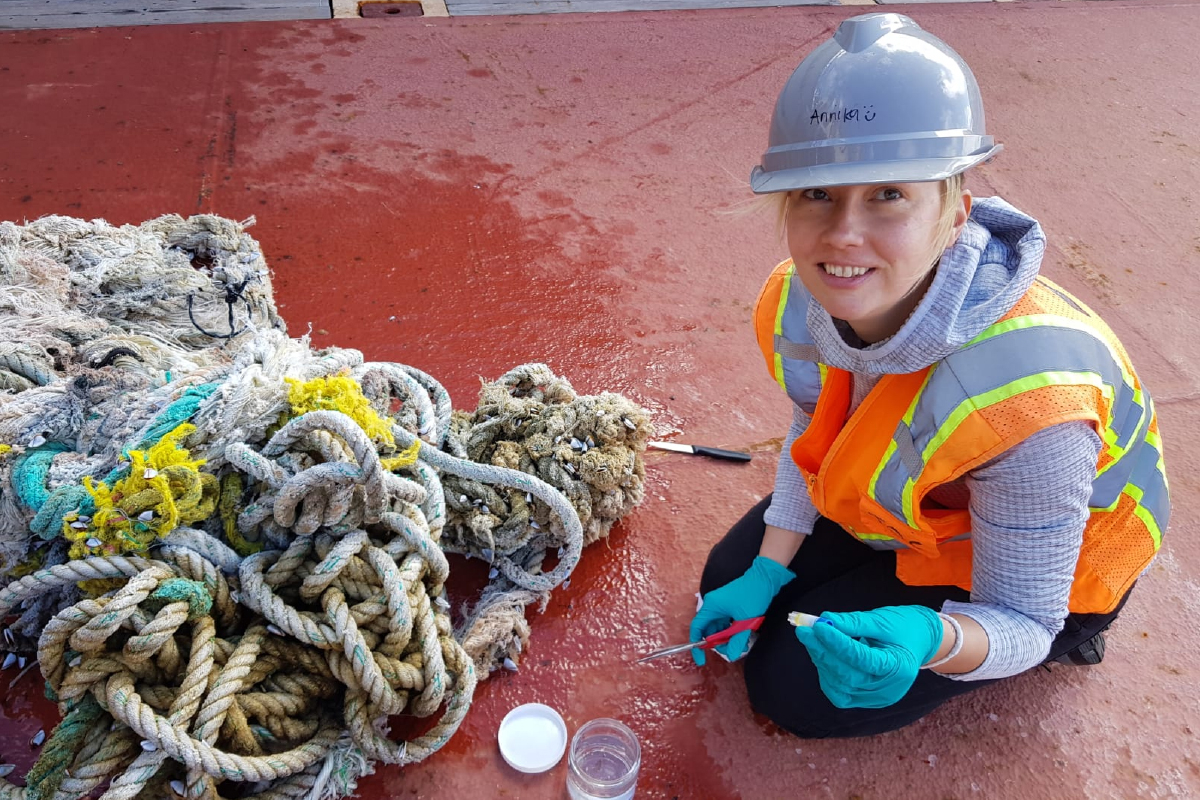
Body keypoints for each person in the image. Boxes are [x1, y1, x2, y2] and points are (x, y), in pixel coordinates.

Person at [688, 12, 1169, 738]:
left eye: (888, 195)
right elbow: (810, 429)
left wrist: (934, 639)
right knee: (728, 582)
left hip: (1050, 572)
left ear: (956, 214)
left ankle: (1085, 632)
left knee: (790, 685)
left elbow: (1023, 617)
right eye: (817, 192)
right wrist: (769, 567)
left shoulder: (1029, 401)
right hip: (921, 508)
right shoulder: (799, 300)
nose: (843, 233)